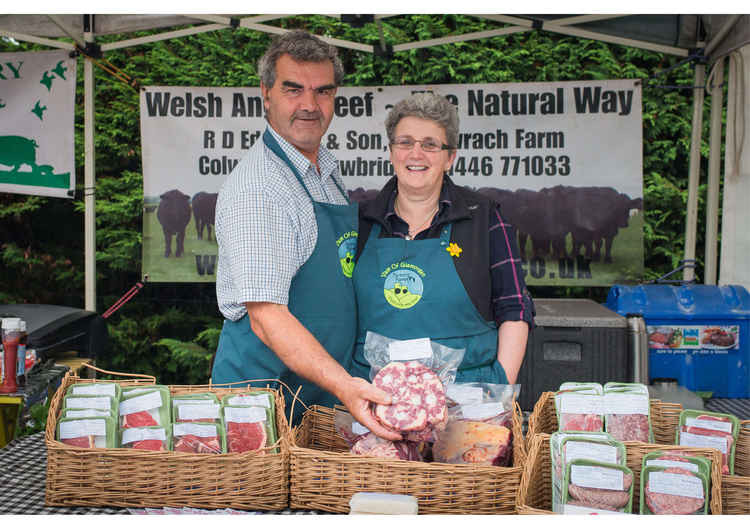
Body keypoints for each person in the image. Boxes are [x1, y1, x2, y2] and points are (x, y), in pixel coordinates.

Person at [211, 30, 398, 439]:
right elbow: (266, 317)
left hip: (318, 400)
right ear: (266, 94)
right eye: (293, 89)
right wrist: (345, 385)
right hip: (262, 409)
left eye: (323, 92)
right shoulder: (260, 187)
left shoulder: (322, 172)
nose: (309, 105)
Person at [351, 92, 535, 386]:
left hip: (468, 397)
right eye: (405, 142)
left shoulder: (484, 218)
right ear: (391, 152)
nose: (416, 154)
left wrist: (499, 383)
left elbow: (513, 307)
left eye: (430, 145)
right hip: (373, 400)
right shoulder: (359, 223)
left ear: (451, 157)